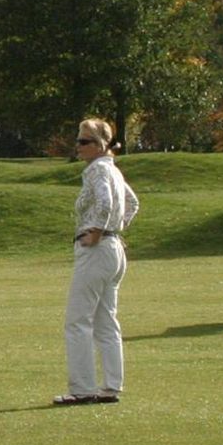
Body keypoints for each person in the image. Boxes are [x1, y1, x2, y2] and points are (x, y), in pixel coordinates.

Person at [56, 117, 138, 406]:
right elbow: (132, 203)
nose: (78, 146)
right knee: (106, 320)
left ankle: (82, 389)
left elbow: (105, 202)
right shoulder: (112, 169)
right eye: (78, 140)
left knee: (77, 321)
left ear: (101, 144)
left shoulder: (97, 170)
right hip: (113, 250)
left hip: (97, 250)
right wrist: (116, 229)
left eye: (85, 141)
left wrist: (99, 231)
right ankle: (111, 385)